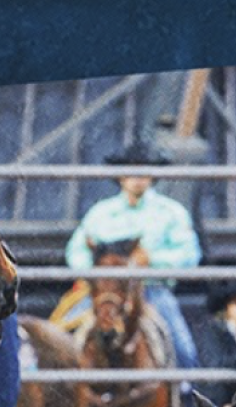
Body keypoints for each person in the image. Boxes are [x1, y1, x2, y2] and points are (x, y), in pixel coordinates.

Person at [64, 142, 202, 368]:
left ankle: (184, 396)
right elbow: (75, 251)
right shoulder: (100, 212)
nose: (137, 176)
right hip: (104, 292)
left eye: (144, 170)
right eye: (131, 170)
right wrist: (97, 271)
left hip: (151, 290)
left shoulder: (171, 212)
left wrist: (152, 261)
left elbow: (189, 255)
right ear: (120, 176)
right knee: (61, 339)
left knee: (183, 351)